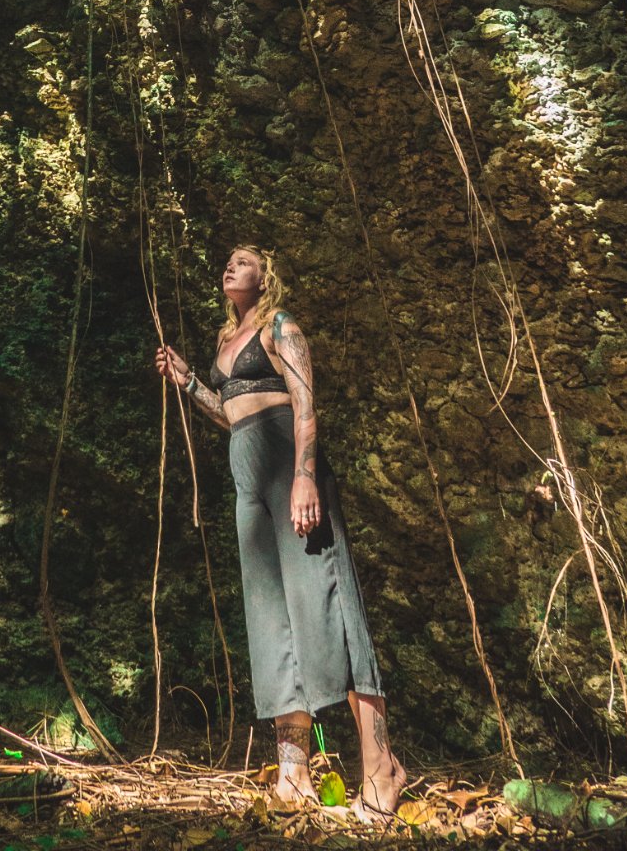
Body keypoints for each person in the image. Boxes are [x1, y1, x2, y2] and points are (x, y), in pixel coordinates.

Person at [156, 245, 408, 821]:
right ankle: (293, 775)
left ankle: (381, 767)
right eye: (227, 261)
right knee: (271, 622)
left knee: (328, 609)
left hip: (288, 470)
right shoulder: (227, 341)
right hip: (247, 479)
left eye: (243, 261)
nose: (230, 266)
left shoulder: (280, 326)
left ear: (264, 276)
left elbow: (304, 402)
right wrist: (189, 381)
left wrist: (304, 476)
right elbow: (231, 413)